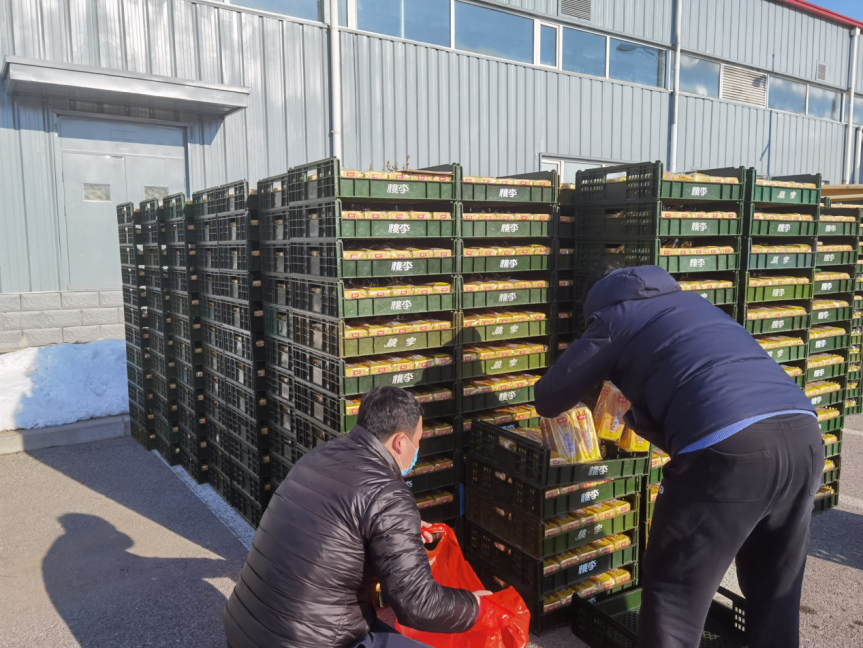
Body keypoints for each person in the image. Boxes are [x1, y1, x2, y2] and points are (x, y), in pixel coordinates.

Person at [534, 264, 823, 648]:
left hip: (728, 449)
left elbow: (549, 397)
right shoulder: (694, 305)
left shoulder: (614, 316)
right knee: (775, 592)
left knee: (674, 598)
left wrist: (595, 370)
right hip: (804, 434)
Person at [223, 386, 487, 648]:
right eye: (417, 440)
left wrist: (397, 529)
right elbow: (417, 604)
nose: (417, 448)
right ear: (400, 442)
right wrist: (473, 605)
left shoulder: (320, 455)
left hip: (243, 630)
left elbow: (337, 520)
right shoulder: (388, 493)